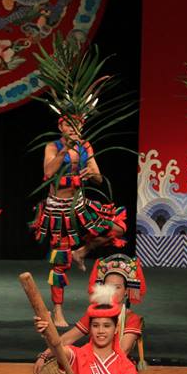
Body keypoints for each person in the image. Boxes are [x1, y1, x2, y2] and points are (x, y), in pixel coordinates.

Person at [30, 115, 127, 327]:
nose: (73, 129)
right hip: (59, 210)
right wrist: (65, 150)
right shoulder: (52, 147)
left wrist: (92, 173)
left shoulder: (86, 147)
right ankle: (57, 311)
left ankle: (81, 252)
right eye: (68, 125)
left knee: (118, 228)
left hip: (80, 206)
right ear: (61, 127)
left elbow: (98, 178)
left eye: (77, 125)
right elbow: (48, 172)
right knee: (60, 262)